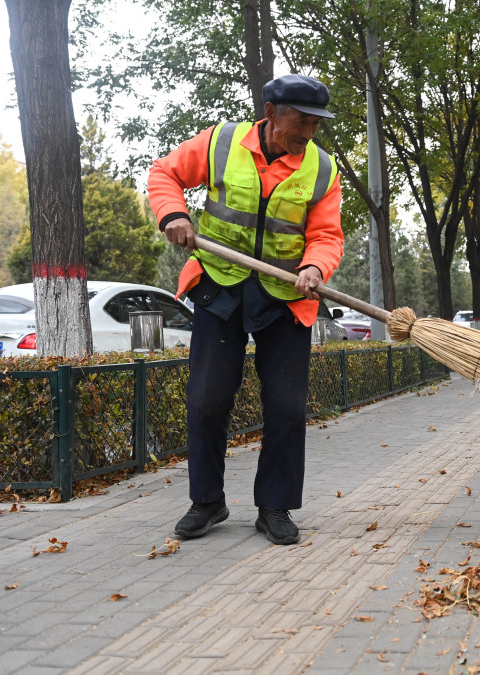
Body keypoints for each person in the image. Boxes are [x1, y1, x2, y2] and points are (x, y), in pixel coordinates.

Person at [147, 74, 344, 545]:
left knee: (287, 406)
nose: (308, 132)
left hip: (284, 297)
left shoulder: (322, 169)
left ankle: (274, 507)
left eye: (316, 124)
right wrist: (173, 214)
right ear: (271, 111)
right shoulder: (221, 142)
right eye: (301, 120)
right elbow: (164, 174)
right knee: (207, 398)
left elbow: (326, 235)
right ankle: (208, 501)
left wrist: (315, 268)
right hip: (221, 286)